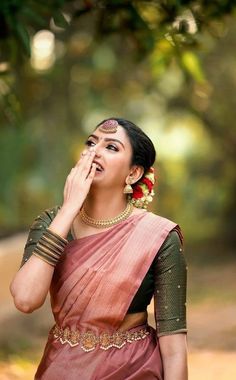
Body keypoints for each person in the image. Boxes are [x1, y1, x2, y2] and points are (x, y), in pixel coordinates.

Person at [10, 118, 188, 380]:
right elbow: (26, 299)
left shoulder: (158, 237)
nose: (94, 151)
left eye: (112, 147)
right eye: (91, 143)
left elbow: (173, 350)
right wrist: (69, 209)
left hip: (133, 369)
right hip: (63, 368)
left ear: (133, 174)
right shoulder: (52, 222)